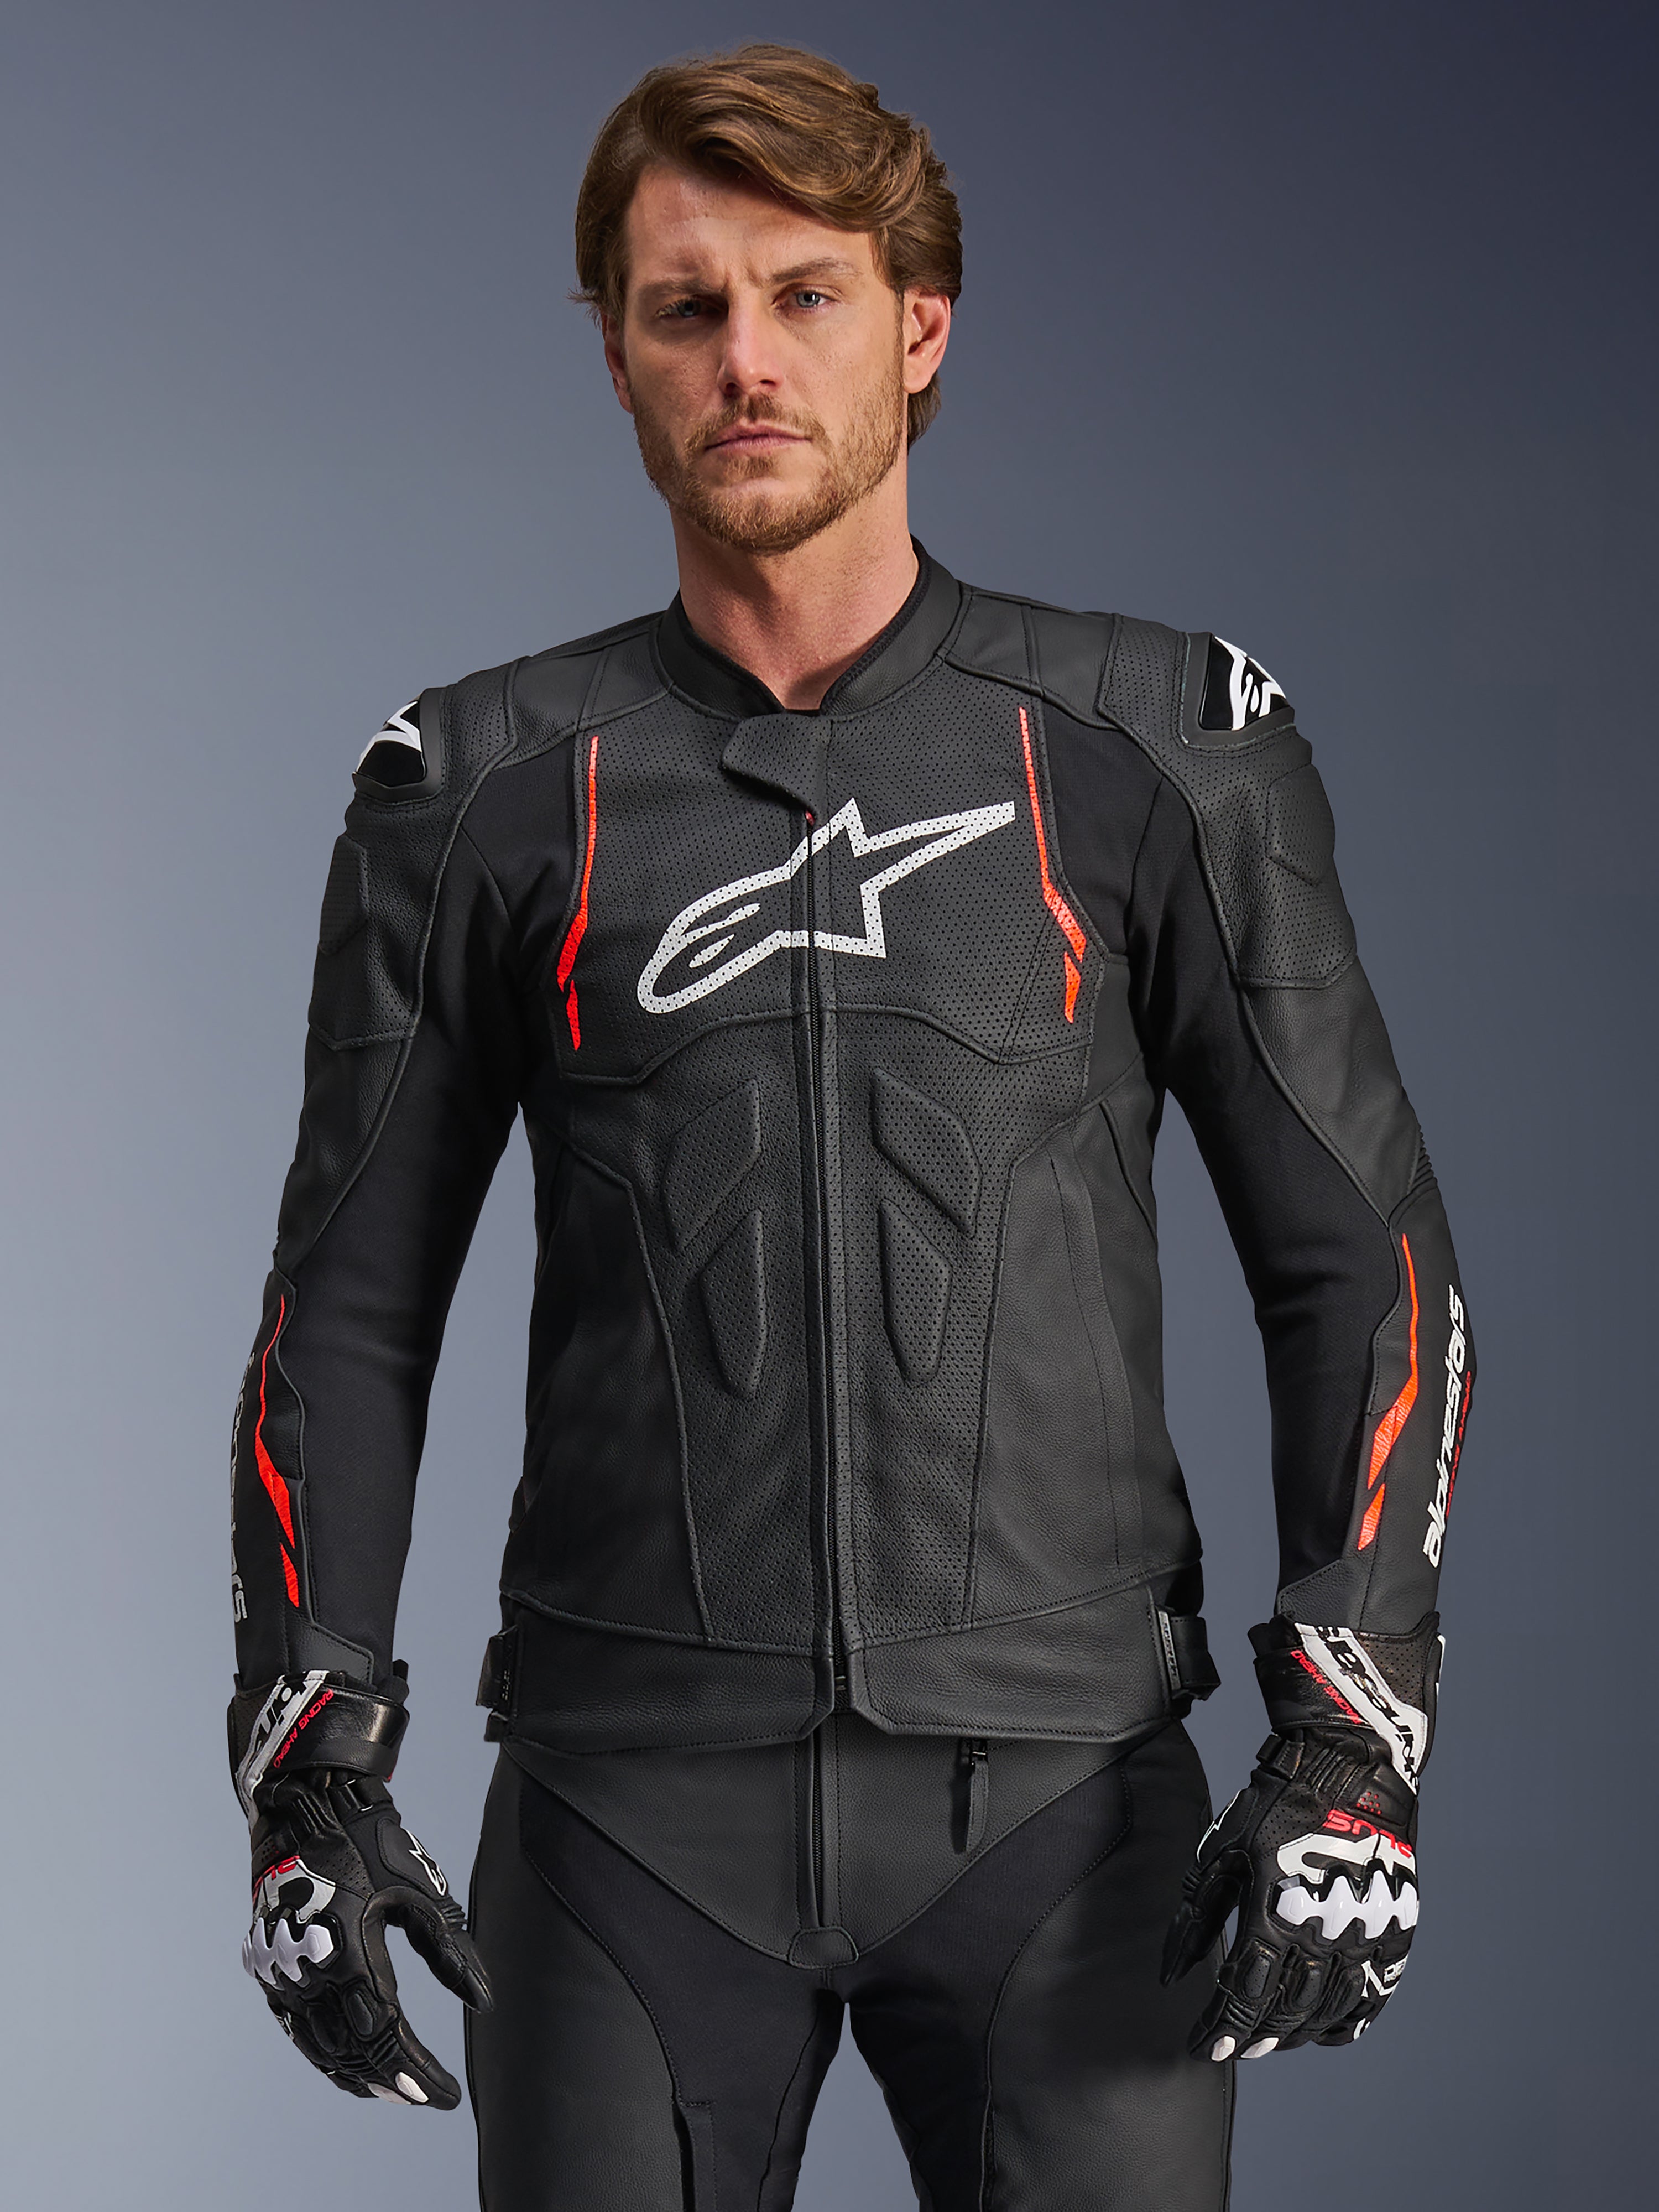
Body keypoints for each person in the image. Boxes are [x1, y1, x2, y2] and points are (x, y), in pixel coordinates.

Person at [228, 43, 1474, 2212]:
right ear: (615, 352)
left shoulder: (1159, 748)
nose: (747, 359)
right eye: (685, 306)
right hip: (619, 1832)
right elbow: (347, 1305)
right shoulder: (479, 788)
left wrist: (1355, 1728)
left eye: (805, 294)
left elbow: (1359, 1252)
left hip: (1064, 1818)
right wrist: (303, 1755)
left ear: (921, 324)